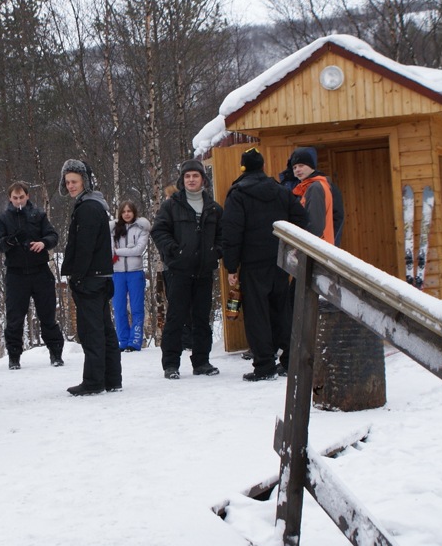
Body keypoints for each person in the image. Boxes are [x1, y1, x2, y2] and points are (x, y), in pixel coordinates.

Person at [222, 148, 308, 382]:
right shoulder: (280, 191)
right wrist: (290, 247)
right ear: (262, 166)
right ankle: (290, 360)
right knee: (282, 309)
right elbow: (301, 218)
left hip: (252, 262)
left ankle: (264, 365)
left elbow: (232, 232)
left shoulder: (238, 194)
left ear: (243, 168)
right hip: (280, 260)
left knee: (257, 313)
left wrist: (231, 266)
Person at [151, 160, 223, 379]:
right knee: (176, 317)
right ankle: (171, 364)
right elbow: (159, 231)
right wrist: (173, 250)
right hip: (179, 271)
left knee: (202, 318)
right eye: (187, 176)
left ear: (203, 179)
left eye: (195, 176)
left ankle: (202, 362)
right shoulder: (171, 205)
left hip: (203, 271)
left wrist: (215, 252)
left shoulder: (213, 207)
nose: (191, 180)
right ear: (182, 180)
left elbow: (223, 235)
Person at [59, 159, 122, 396]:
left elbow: (85, 246)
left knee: (91, 330)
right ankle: (112, 378)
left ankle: (94, 381)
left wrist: (78, 275)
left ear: (85, 181)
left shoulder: (87, 208)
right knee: (104, 329)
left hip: (91, 278)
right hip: (100, 276)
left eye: (74, 181)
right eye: (68, 182)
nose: (71, 186)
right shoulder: (96, 205)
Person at [0, 181, 64, 370]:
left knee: (47, 315)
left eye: (21, 197)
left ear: (27, 196)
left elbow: (53, 235)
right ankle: (14, 356)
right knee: (15, 317)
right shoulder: (3, 218)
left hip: (40, 271)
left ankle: (56, 353)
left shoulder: (38, 215)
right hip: (16, 274)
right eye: (15, 198)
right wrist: (10, 241)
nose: (18, 201)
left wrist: (43, 243)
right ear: (10, 198)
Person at [110, 201, 150, 352]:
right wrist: (128, 249)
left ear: (134, 213)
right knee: (119, 307)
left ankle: (135, 340)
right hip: (117, 273)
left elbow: (138, 250)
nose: (127, 214)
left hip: (135, 272)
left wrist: (119, 251)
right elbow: (109, 250)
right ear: (120, 213)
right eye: (124, 211)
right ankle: (123, 340)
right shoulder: (114, 230)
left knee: (136, 307)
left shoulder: (141, 229)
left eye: (129, 211)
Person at [289, 147, 345, 246]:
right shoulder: (306, 188)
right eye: (294, 167)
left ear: (311, 166)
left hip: (317, 247)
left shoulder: (315, 188)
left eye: (301, 165)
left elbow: (315, 225)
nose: (297, 170)